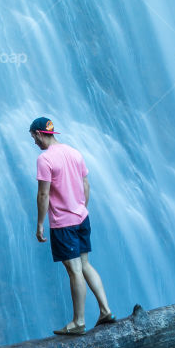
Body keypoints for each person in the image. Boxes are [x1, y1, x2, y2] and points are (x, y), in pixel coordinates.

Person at [30, 116, 116, 336]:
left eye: (33, 137)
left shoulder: (45, 159)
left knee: (74, 271)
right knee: (85, 264)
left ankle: (78, 322)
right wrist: (81, 208)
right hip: (81, 218)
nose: (34, 143)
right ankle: (106, 310)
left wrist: (40, 223)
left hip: (63, 224)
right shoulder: (74, 152)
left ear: (40, 134)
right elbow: (86, 184)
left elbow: (43, 194)